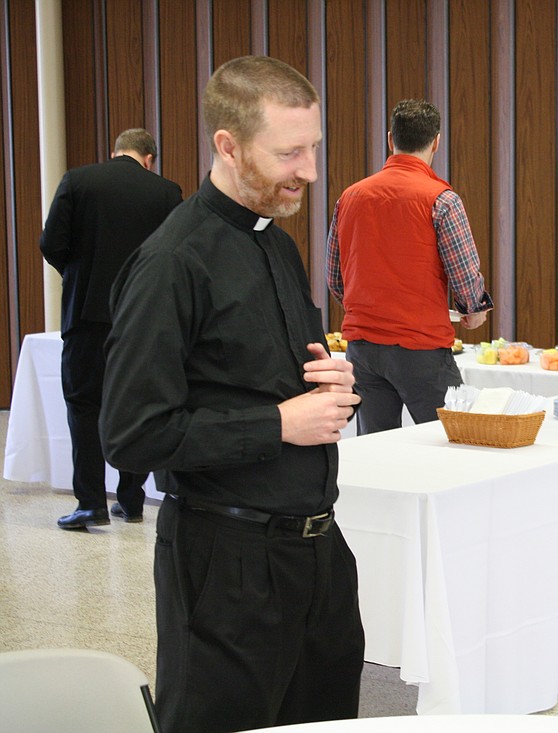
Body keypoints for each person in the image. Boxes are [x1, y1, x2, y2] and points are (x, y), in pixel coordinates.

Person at [100, 56, 365, 733]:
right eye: (289, 152)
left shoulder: (276, 243)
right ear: (227, 144)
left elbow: (283, 381)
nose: (309, 169)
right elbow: (132, 434)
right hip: (226, 563)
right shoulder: (171, 263)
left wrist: (335, 386)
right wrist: (278, 423)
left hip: (317, 554)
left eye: (313, 148)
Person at [40, 127, 183, 530]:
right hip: (142, 319)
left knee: (84, 407)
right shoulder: (166, 192)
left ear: (115, 152)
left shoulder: (78, 181)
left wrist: (79, 275)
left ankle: (89, 503)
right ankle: (132, 499)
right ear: (149, 158)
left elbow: (52, 243)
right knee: (138, 405)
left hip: (86, 317)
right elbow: (174, 255)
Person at [326, 98, 493, 434]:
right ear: (436, 141)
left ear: (391, 139)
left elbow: (335, 276)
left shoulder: (350, 197)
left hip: (363, 349)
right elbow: (463, 274)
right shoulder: (442, 199)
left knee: (377, 449)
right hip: (421, 348)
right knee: (452, 443)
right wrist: (473, 309)